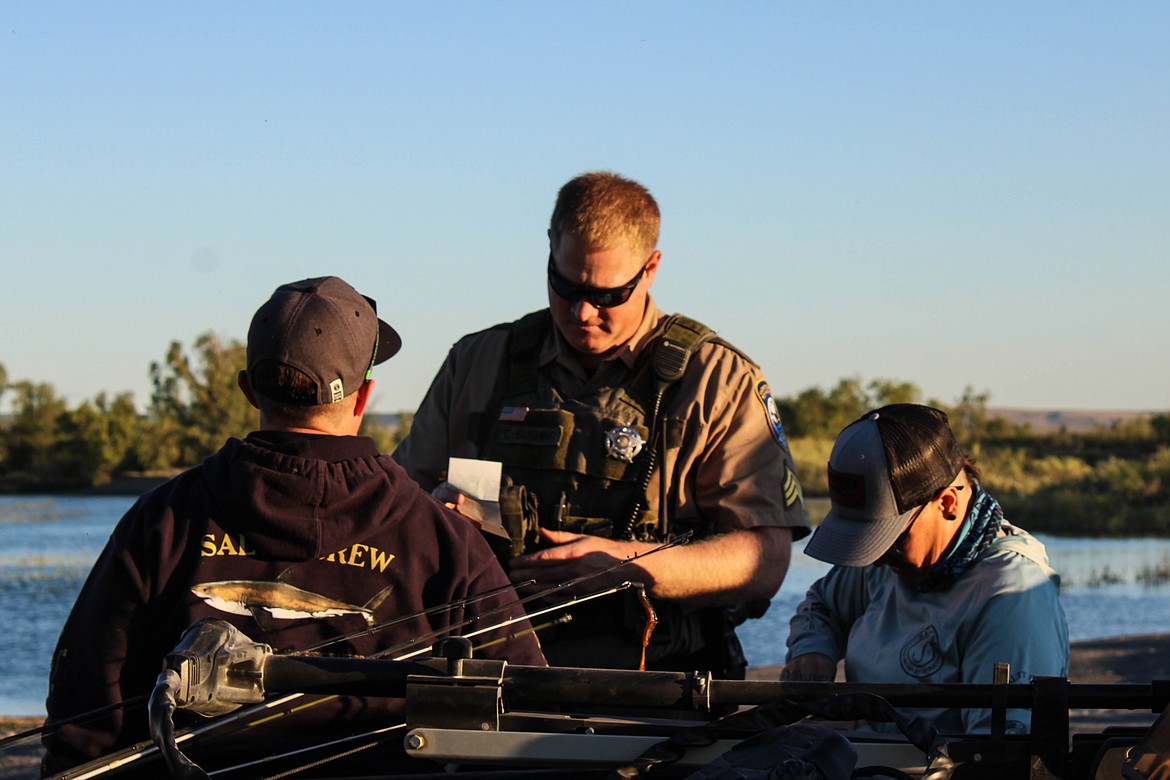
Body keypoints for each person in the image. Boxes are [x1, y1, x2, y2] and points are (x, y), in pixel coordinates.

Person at [42, 276, 545, 776]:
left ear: (247, 390)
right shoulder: (445, 539)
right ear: (363, 396)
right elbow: (527, 707)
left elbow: (84, 714)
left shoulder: (162, 520)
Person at [393, 172, 810, 678]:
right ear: (550, 247)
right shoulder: (479, 362)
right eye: (565, 285)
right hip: (493, 680)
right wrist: (435, 518)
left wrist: (624, 568)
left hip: (658, 688)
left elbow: (765, 560)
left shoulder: (716, 381)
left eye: (608, 294)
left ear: (651, 268)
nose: (582, 311)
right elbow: (399, 510)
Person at [783, 404, 1069, 734]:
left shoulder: (1011, 599)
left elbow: (998, 757)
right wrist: (811, 651)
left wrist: (860, 728)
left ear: (947, 502)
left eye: (886, 536)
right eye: (865, 539)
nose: (875, 559)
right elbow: (823, 604)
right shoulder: (888, 561)